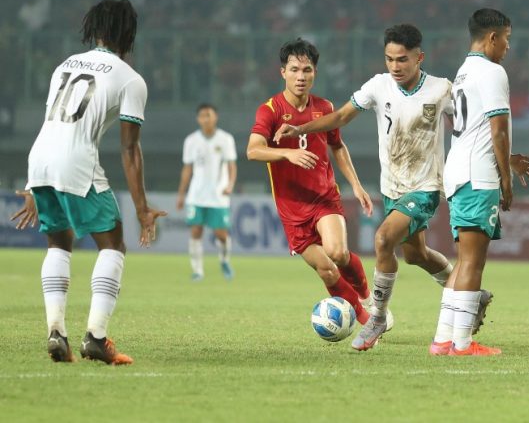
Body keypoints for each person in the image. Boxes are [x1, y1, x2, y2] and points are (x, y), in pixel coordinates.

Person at [273, 24, 495, 351]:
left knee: (382, 239)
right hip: (393, 188)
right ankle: (471, 297)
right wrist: (300, 129)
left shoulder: (441, 89)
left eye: (402, 60)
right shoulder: (379, 86)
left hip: (425, 187)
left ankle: (376, 316)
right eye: (389, 59)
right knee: (415, 255)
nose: (395, 66)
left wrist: (503, 155)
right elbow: (341, 117)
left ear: (420, 57)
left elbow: (473, 124)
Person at [10, 0, 166, 365]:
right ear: (128, 34)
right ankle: (96, 336)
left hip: (41, 158)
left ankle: (56, 332)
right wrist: (142, 209)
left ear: (94, 30)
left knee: (58, 243)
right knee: (112, 244)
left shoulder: (65, 64)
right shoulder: (130, 78)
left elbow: (52, 122)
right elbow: (130, 149)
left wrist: (35, 184)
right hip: (75, 160)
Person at [429, 8, 529, 356]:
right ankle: (462, 344)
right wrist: (505, 181)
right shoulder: (493, 72)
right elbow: (498, 128)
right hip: (479, 177)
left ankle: (443, 339)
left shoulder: (463, 72)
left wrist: (507, 163)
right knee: (474, 262)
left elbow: (474, 130)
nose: (508, 46)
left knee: (464, 260)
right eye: (507, 37)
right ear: (493, 37)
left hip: (460, 172)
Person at [247, 38, 376, 325]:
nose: (301, 76)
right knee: (327, 271)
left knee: (338, 253)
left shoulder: (324, 106)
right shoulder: (270, 110)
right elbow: (253, 150)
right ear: (283, 72)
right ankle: (366, 319)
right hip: (292, 208)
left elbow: (338, 147)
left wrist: (355, 184)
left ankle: (369, 302)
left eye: (307, 70)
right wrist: (286, 154)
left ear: (315, 72)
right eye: (294, 70)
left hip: (324, 197)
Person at [177, 103, 237, 281]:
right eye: (202, 115)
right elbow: (187, 169)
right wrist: (181, 193)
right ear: (198, 119)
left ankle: (225, 260)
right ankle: (197, 271)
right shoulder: (191, 140)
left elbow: (232, 165)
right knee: (196, 232)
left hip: (218, 196)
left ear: (215, 117)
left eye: (209, 115)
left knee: (221, 234)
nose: (206, 118)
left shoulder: (226, 139)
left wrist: (230, 184)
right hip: (196, 195)